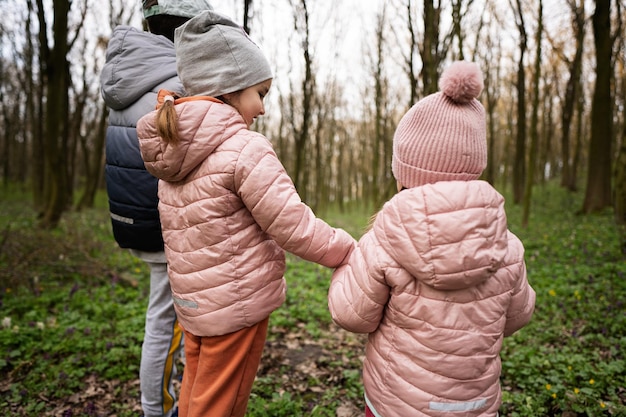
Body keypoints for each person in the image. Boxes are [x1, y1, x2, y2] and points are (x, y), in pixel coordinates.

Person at [135, 10, 356, 417]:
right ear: (230, 88)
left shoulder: (173, 151)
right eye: (261, 93)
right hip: (235, 306)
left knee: (197, 392)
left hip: (195, 304)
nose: (263, 109)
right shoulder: (244, 148)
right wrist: (348, 250)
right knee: (222, 405)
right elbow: (294, 225)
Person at [328, 61, 536, 417]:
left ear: (404, 172)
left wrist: (345, 266)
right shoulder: (506, 245)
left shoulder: (384, 240)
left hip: (397, 404)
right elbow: (518, 316)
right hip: (477, 405)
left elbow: (351, 315)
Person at [100, 1, 213, 416]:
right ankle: (159, 410)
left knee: (166, 317)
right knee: (169, 323)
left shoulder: (129, 72)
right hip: (169, 223)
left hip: (134, 215)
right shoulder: (179, 79)